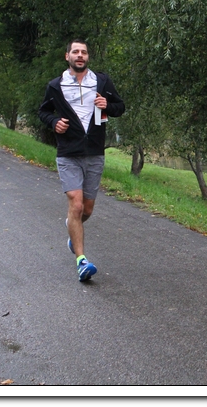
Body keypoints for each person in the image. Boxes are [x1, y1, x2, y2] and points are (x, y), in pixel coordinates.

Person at [38, 39, 125, 281]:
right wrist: (54, 122)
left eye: (83, 52)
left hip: (95, 152)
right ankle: (82, 261)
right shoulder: (56, 85)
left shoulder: (102, 82)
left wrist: (107, 105)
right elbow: (43, 111)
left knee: (86, 209)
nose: (80, 55)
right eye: (75, 52)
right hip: (68, 153)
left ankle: (72, 228)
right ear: (67, 56)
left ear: (88, 57)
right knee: (76, 205)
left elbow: (120, 107)